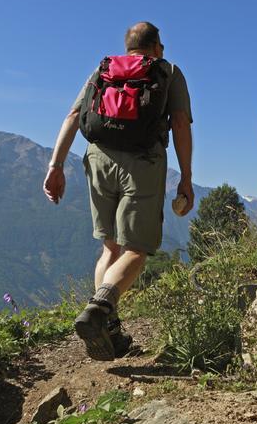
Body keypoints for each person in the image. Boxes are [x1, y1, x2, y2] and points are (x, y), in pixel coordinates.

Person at [43, 21, 194, 361]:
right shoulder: (167, 71)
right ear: (156, 46)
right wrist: (185, 176)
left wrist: (55, 166)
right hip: (142, 161)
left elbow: (73, 115)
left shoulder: (105, 69)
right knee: (137, 250)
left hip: (97, 158)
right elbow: (181, 123)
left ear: (128, 46)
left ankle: (108, 329)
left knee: (110, 246)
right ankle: (100, 307)